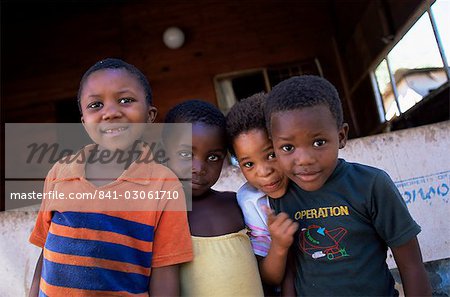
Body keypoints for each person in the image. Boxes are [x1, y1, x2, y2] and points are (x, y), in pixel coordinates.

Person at [28, 58, 193, 296]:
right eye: (95, 105)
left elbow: (165, 271)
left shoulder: (163, 184)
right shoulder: (60, 172)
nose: (111, 113)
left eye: (126, 100)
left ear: (150, 115)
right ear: (84, 123)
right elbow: (46, 253)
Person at [265, 75, 432, 296]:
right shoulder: (280, 196)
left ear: (341, 136)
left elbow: (411, 265)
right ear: (273, 147)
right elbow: (291, 271)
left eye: (319, 142)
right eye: (287, 148)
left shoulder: (371, 185)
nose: (304, 159)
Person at [163, 99, 264, 296]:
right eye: (185, 154)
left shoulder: (238, 204)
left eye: (213, 157)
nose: (199, 169)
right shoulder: (163, 215)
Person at [225, 93, 298, 295]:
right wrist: (279, 245)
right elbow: (269, 277)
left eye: (271, 155)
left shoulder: (309, 178)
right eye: (249, 164)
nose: (264, 172)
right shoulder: (252, 202)